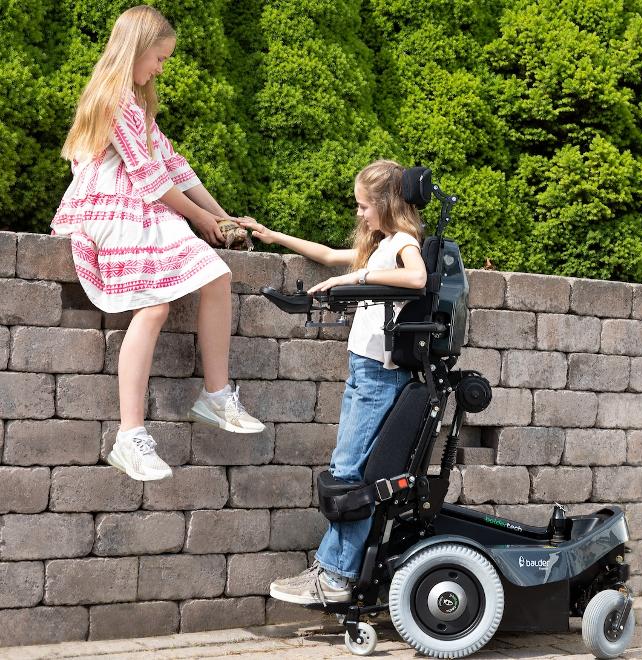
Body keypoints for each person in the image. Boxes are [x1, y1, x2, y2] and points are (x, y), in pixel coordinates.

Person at [52, 5, 264, 482]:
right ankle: (130, 435)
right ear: (136, 48)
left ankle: (214, 394)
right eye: (159, 57)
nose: (161, 68)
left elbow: (174, 166)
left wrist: (221, 217)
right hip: (114, 208)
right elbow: (150, 179)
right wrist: (203, 218)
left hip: (146, 208)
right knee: (153, 308)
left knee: (216, 276)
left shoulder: (136, 105)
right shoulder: (112, 100)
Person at [236, 159, 427, 605]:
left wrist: (355, 277)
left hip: (377, 374)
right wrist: (272, 235)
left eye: (364, 206)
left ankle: (336, 577)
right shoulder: (382, 244)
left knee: (350, 473)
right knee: (349, 469)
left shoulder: (402, 241)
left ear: (386, 203)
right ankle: (333, 569)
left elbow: (416, 278)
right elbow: (325, 255)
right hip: (366, 371)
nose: (359, 214)